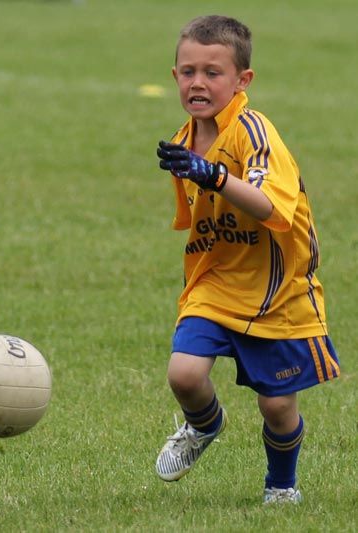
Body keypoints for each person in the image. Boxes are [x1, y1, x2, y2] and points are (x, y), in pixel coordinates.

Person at [155, 15, 340, 504]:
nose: (198, 82)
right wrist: (201, 171)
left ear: (242, 81)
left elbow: (268, 206)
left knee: (277, 405)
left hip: (278, 291)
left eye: (213, 73)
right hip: (217, 282)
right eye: (188, 71)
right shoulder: (183, 139)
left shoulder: (254, 132)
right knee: (184, 375)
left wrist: (212, 175)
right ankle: (204, 425)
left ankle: (281, 486)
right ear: (174, 76)